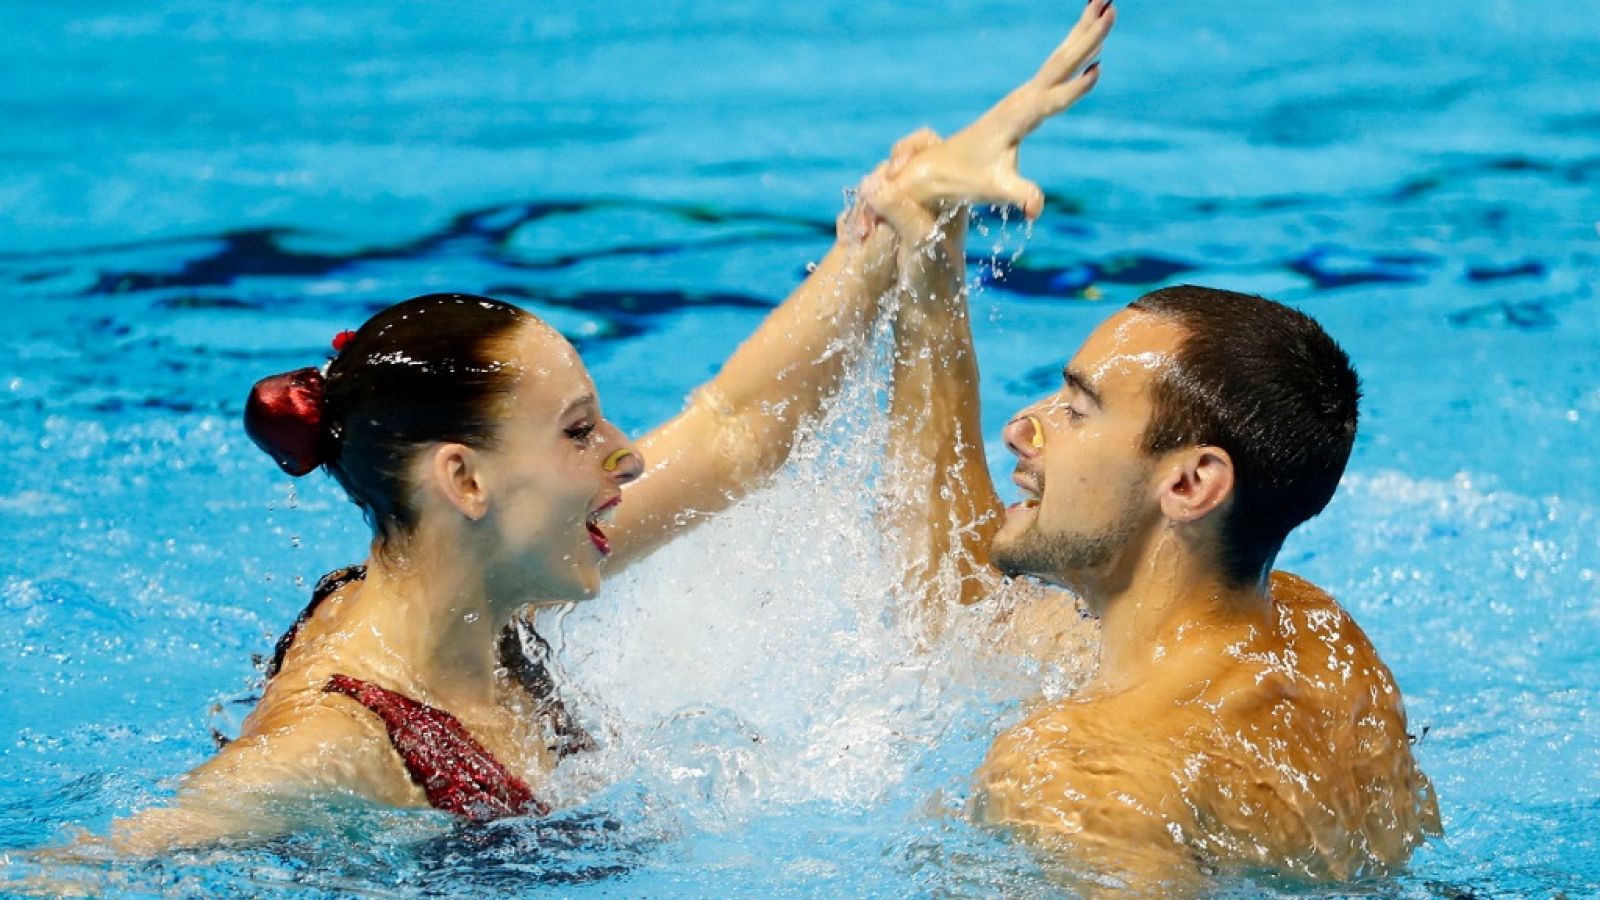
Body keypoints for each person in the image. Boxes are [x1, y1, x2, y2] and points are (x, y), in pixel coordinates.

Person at [94, 2, 1116, 853]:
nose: (625, 452)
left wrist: (901, 218)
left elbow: (738, 425)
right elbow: (99, 863)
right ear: (466, 479)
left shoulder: (477, 585)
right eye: (579, 431)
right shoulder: (333, 739)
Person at [856, 139, 1442, 886]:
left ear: (1192, 484)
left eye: (1076, 409)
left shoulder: (1074, 775)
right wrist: (929, 267)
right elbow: (960, 605)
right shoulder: (1317, 638)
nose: (1022, 429)